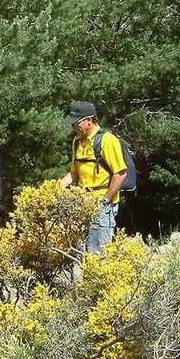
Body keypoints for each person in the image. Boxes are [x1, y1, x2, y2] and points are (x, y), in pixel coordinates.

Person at [60, 101, 127, 255]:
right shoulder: (77, 141)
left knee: (99, 253)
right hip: (83, 203)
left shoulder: (107, 140)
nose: (73, 127)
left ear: (89, 120)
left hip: (102, 205)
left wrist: (105, 200)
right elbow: (74, 173)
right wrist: (56, 188)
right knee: (82, 252)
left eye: (76, 123)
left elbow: (120, 173)